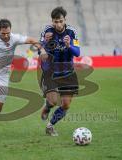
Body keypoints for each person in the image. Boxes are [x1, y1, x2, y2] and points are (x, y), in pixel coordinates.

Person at [39, 7, 80, 136]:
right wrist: (44, 45)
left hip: (68, 71)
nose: (58, 24)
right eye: (55, 22)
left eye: (60, 21)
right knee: (52, 101)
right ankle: (47, 106)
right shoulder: (47, 31)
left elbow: (78, 53)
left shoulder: (72, 32)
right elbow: (39, 48)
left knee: (66, 105)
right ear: (52, 21)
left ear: (65, 20)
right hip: (50, 71)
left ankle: (50, 126)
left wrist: (69, 46)